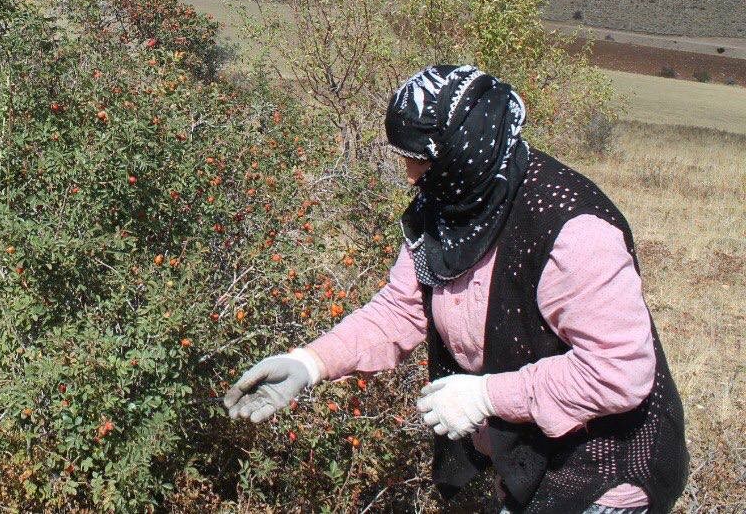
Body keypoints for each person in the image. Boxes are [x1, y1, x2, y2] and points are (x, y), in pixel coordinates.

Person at [223, 65, 687, 514]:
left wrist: (486, 397)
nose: (410, 176)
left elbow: (618, 371)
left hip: (605, 468)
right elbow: (400, 311)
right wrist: (309, 363)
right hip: (533, 456)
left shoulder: (570, 228)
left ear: (464, 151)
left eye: (421, 160)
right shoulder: (448, 210)